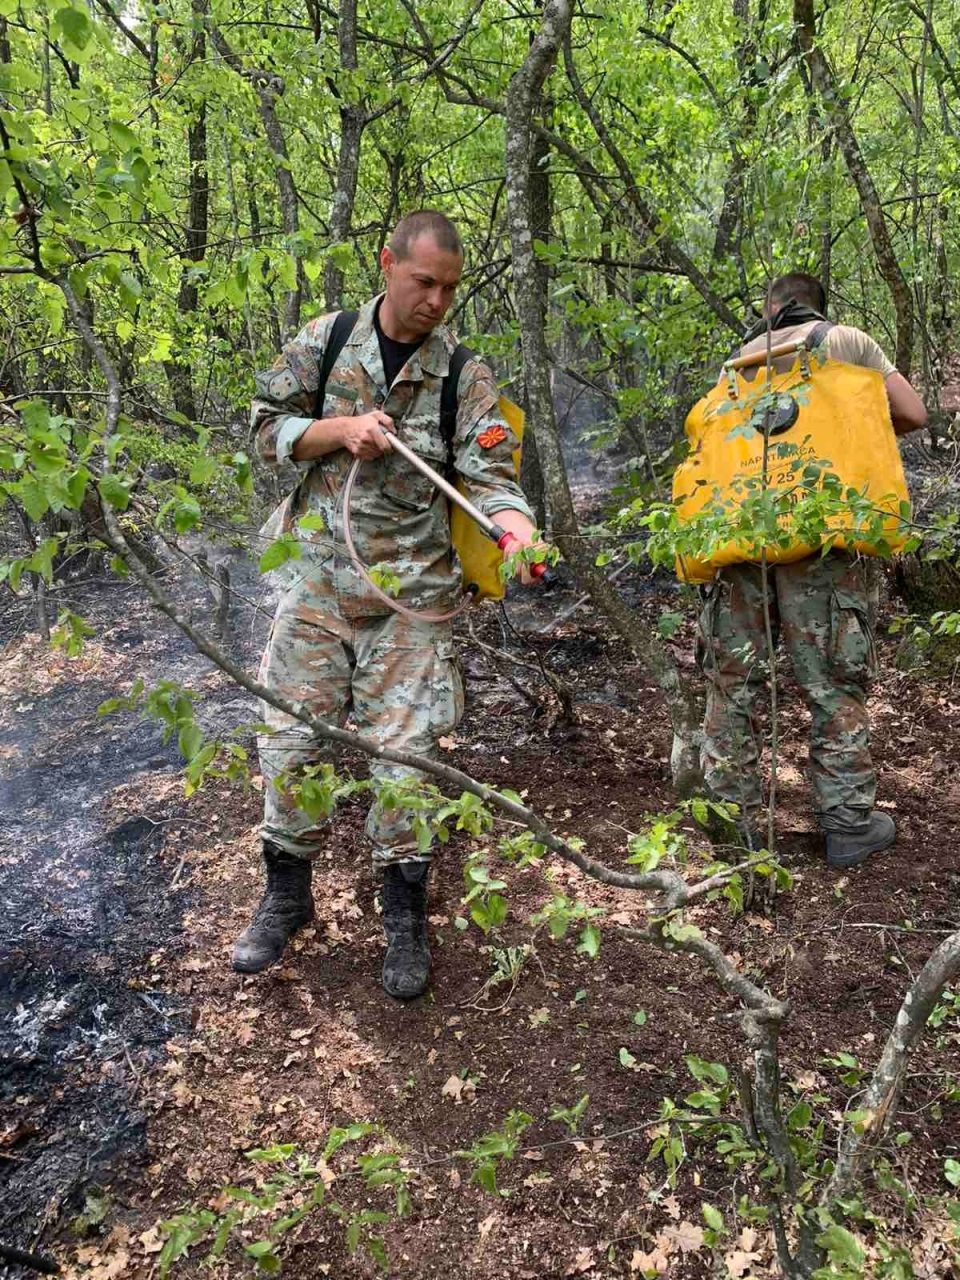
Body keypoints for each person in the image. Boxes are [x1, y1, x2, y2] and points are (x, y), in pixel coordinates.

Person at [237, 211, 541, 995]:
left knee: (405, 764)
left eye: (449, 287)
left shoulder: (466, 376)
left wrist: (516, 530)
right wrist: (338, 429)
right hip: (314, 585)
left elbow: (493, 479)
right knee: (290, 742)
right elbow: (263, 429)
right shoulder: (326, 341)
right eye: (423, 282)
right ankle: (285, 896)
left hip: (412, 600)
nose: (436, 301)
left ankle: (403, 917)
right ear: (388, 265)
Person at [696, 272, 927, 867]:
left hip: (741, 538)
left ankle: (733, 828)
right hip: (821, 542)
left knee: (733, 687)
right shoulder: (848, 343)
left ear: (770, 308)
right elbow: (913, 412)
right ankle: (848, 824)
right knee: (832, 684)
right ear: (817, 307)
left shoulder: (737, 362)